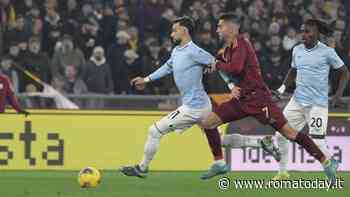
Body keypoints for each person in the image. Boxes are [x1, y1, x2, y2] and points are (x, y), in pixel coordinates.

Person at [200, 13, 339, 183]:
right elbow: (219, 64)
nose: (217, 30)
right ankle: (219, 162)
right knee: (208, 123)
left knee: (289, 132)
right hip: (241, 100)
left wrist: (217, 65)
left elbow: (235, 67)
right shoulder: (228, 49)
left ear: (231, 28)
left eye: (220, 26)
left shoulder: (242, 43)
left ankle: (326, 161)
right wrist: (223, 78)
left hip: (259, 99)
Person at [120, 16, 229, 178]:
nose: (171, 34)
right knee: (219, 139)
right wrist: (146, 79)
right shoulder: (177, 51)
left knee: (154, 131)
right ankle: (257, 144)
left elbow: (218, 64)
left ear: (184, 31)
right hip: (202, 104)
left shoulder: (194, 51)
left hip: (194, 107)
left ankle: (142, 168)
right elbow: (167, 67)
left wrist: (229, 82)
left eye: (174, 30)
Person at [271, 19, 349, 180]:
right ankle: (283, 172)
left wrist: (337, 95)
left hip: (317, 104)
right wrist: (282, 88)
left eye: (307, 31)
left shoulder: (327, 52)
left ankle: (330, 163)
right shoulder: (297, 50)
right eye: (302, 31)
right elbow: (293, 71)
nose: (303, 34)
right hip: (297, 101)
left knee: (317, 141)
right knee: (280, 135)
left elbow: (344, 73)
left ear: (316, 34)